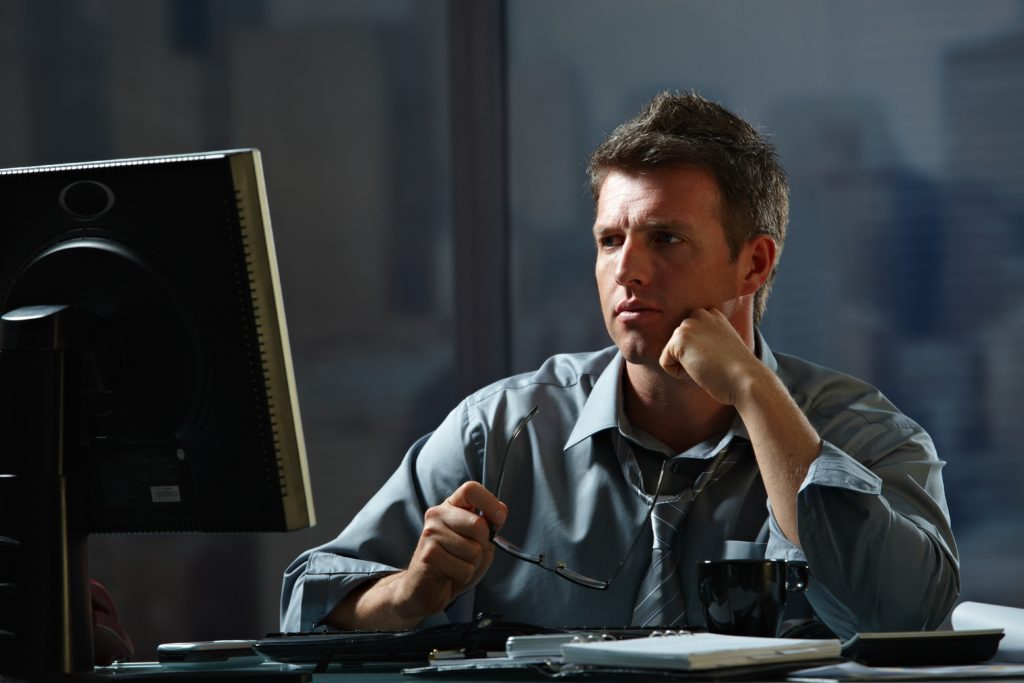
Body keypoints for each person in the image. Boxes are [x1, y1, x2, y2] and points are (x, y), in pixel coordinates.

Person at [280, 91, 959, 640]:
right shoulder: (504, 429)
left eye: (665, 238)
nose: (626, 270)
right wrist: (404, 594)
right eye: (611, 239)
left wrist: (754, 390)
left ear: (754, 263)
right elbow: (307, 597)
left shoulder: (867, 435)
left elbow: (905, 616)